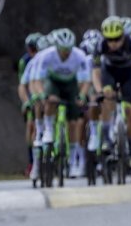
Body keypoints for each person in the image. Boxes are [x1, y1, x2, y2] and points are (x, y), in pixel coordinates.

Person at [28, 28, 92, 178]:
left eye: (68, 50)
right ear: (56, 47)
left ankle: (72, 161)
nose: (66, 53)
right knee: (49, 100)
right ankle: (48, 128)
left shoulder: (79, 56)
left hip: (71, 84)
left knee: (74, 122)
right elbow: (37, 81)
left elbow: (85, 81)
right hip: (54, 82)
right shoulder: (46, 56)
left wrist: (82, 96)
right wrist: (43, 95)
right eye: (63, 50)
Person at [93, 16, 131, 173]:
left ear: (123, 36)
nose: (113, 43)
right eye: (109, 40)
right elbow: (95, 72)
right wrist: (99, 91)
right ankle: (106, 139)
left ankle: (130, 151)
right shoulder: (99, 45)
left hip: (128, 73)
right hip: (109, 71)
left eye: (117, 39)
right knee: (107, 96)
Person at [18, 33, 42, 177]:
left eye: (35, 49)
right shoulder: (25, 61)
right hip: (32, 93)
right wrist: (26, 101)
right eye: (30, 49)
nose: (32, 53)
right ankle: (32, 160)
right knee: (30, 124)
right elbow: (22, 85)